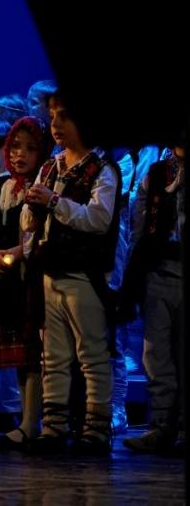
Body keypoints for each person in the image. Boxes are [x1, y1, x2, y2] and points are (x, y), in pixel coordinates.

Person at [22, 94, 121, 455]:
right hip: (51, 271)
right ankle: (54, 426)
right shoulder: (51, 166)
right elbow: (33, 219)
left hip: (84, 273)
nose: (56, 125)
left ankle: (96, 429)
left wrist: (53, 202)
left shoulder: (102, 169)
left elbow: (98, 219)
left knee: (92, 353)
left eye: (64, 117)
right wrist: (31, 217)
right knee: (55, 355)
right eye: (52, 117)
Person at [0, 117, 52, 450]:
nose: (20, 155)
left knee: (35, 354)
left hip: (30, 280)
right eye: (15, 147)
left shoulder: (45, 186)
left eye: (30, 149)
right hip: (4, 279)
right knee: (20, 356)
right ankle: (25, 421)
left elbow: (39, 235)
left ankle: (36, 422)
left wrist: (15, 255)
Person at [123, 142, 184, 453]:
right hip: (159, 270)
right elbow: (140, 223)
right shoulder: (158, 172)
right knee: (156, 354)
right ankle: (162, 425)